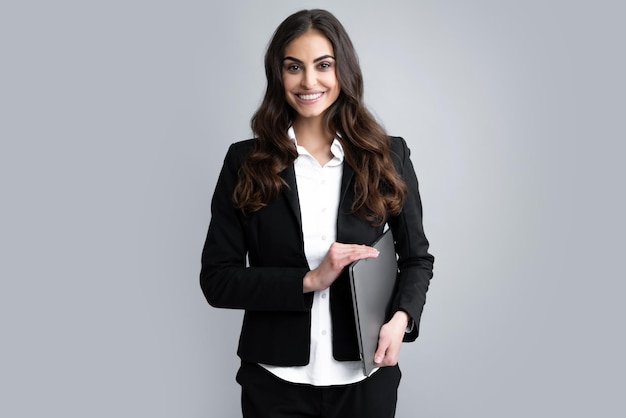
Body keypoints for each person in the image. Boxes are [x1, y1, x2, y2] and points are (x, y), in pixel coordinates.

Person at [200, 9, 434, 418]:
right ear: (279, 75)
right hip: (274, 384)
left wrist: (402, 319)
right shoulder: (245, 162)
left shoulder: (388, 156)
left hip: (366, 380)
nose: (309, 82)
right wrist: (308, 281)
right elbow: (217, 281)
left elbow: (416, 259)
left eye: (323, 65)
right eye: (294, 67)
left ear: (342, 71)